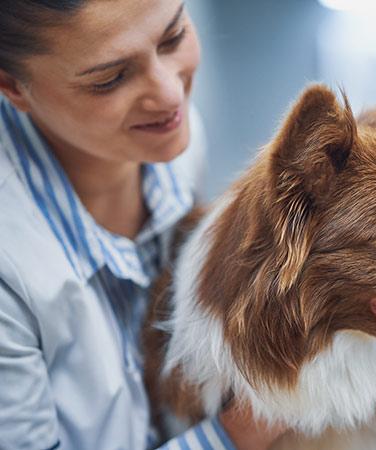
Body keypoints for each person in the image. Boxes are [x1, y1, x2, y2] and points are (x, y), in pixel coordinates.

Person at [0, 1, 285, 448]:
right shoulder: (9, 266)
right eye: (110, 78)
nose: (171, 95)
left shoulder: (175, 145)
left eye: (172, 37)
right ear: (12, 85)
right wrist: (242, 431)